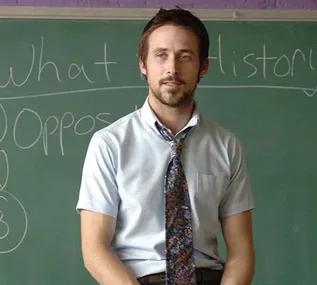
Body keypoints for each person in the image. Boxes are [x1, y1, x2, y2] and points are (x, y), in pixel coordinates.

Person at [76, 7, 255, 285]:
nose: (172, 68)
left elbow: (241, 253)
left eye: (185, 56)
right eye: (161, 55)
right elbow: (95, 250)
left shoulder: (227, 146)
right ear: (143, 64)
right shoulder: (109, 144)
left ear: (203, 67)